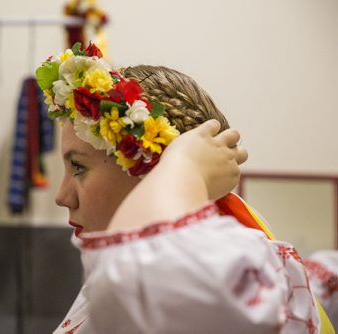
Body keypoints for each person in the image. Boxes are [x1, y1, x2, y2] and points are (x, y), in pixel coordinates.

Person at [35, 43, 334, 333]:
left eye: (79, 168)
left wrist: (183, 164)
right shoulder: (150, 268)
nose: (62, 197)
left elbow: (136, 269)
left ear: (152, 171)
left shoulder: (230, 276)